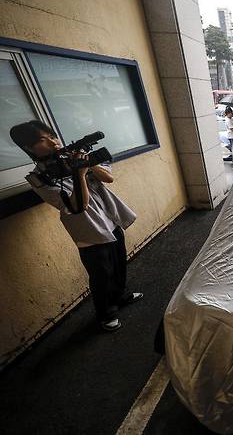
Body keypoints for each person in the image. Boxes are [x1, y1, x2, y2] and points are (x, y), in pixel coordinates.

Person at [9, 120, 141, 332]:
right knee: (101, 274)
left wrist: (88, 163)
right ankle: (105, 314)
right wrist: (79, 174)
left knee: (118, 263)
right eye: (44, 140)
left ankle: (120, 296)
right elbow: (77, 206)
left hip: (110, 219)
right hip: (88, 230)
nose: (53, 142)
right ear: (29, 148)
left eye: (53, 136)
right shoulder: (38, 178)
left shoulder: (74, 157)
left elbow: (109, 178)